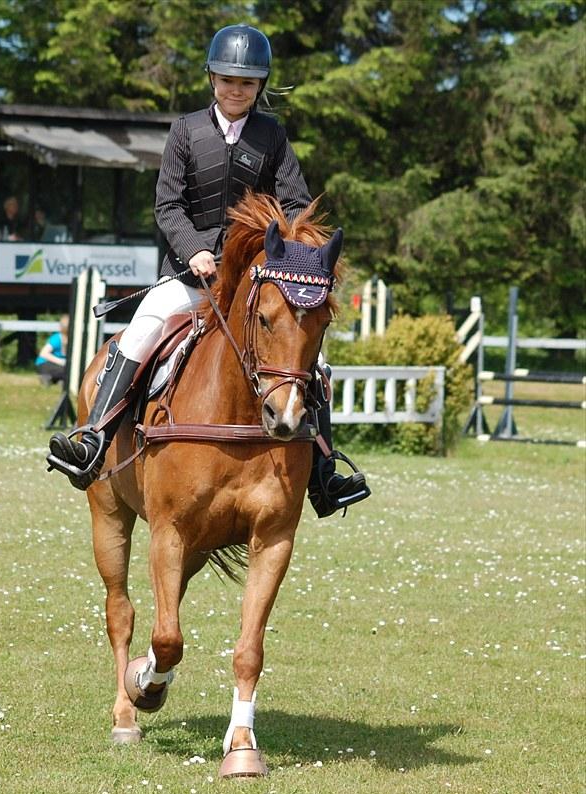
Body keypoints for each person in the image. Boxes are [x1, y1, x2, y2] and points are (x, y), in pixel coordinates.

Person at [48, 23, 370, 517]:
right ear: (211, 79)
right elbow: (168, 206)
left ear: (259, 86)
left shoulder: (272, 136)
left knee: (316, 366)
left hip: (254, 285)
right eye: (226, 80)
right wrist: (195, 250)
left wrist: (285, 257)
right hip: (188, 276)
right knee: (142, 330)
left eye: (245, 82)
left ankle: (324, 476)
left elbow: (298, 204)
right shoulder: (185, 131)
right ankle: (93, 438)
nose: (235, 90)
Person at [35, 315, 69, 385]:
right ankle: (47, 377)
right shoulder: (56, 338)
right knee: (66, 370)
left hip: (58, 366)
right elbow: (43, 353)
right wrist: (61, 362)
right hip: (44, 364)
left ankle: (56, 379)